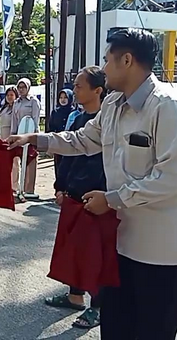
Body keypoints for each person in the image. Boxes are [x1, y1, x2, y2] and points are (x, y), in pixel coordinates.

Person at [6, 28, 177, 340]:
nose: (103, 68)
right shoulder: (113, 105)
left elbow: (175, 177)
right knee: (115, 326)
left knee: (151, 331)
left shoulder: (167, 107)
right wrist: (35, 138)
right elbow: (84, 139)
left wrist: (112, 199)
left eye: (106, 60)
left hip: (164, 249)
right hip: (121, 240)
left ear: (127, 60)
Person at [44, 66, 107, 329]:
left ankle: (97, 307)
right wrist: (61, 186)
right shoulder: (79, 119)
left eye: (80, 85)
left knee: (96, 255)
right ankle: (75, 295)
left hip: (97, 198)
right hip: (74, 194)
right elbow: (68, 153)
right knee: (74, 250)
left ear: (98, 90)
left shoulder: (108, 122)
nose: (75, 89)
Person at [11, 77, 41, 199]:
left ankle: (29, 189)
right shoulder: (16, 102)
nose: (21, 90)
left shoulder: (33, 102)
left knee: (30, 161)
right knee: (16, 160)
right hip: (19, 134)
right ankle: (17, 187)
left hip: (30, 135)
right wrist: (12, 135)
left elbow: (35, 119)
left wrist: (34, 136)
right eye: (19, 87)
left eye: (23, 87)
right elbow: (14, 120)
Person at [47, 89, 75, 178]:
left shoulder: (74, 113)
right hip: (58, 143)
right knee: (58, 167)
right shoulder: (55, 112)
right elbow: (51, 127)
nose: (63, 100)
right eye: (61, 97)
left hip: (71, 143)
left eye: (65, 97)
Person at [0, 86, 20, 193]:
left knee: (14, 162)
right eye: (8, 95)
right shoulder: (4, 108)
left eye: (12, 95)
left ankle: (14, 186)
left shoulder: (16, 108)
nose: (9, 97)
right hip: (2, 136)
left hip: (12, 137)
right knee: (4, 162)